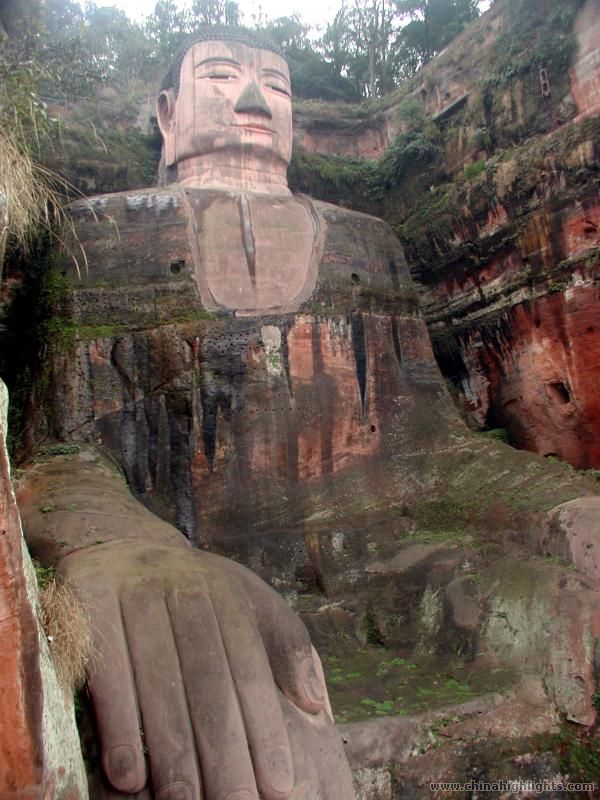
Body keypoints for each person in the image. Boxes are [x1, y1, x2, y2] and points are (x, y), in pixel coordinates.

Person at [17, 27, 359, 800]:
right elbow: (51, 447)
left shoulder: (365, 243)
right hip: (185, 562)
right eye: (221, 76)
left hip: (374, 573)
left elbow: (444, 456)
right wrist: (117, 538)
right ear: (168, 115)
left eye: (276, 86)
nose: (251, 102)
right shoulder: (98, 231)